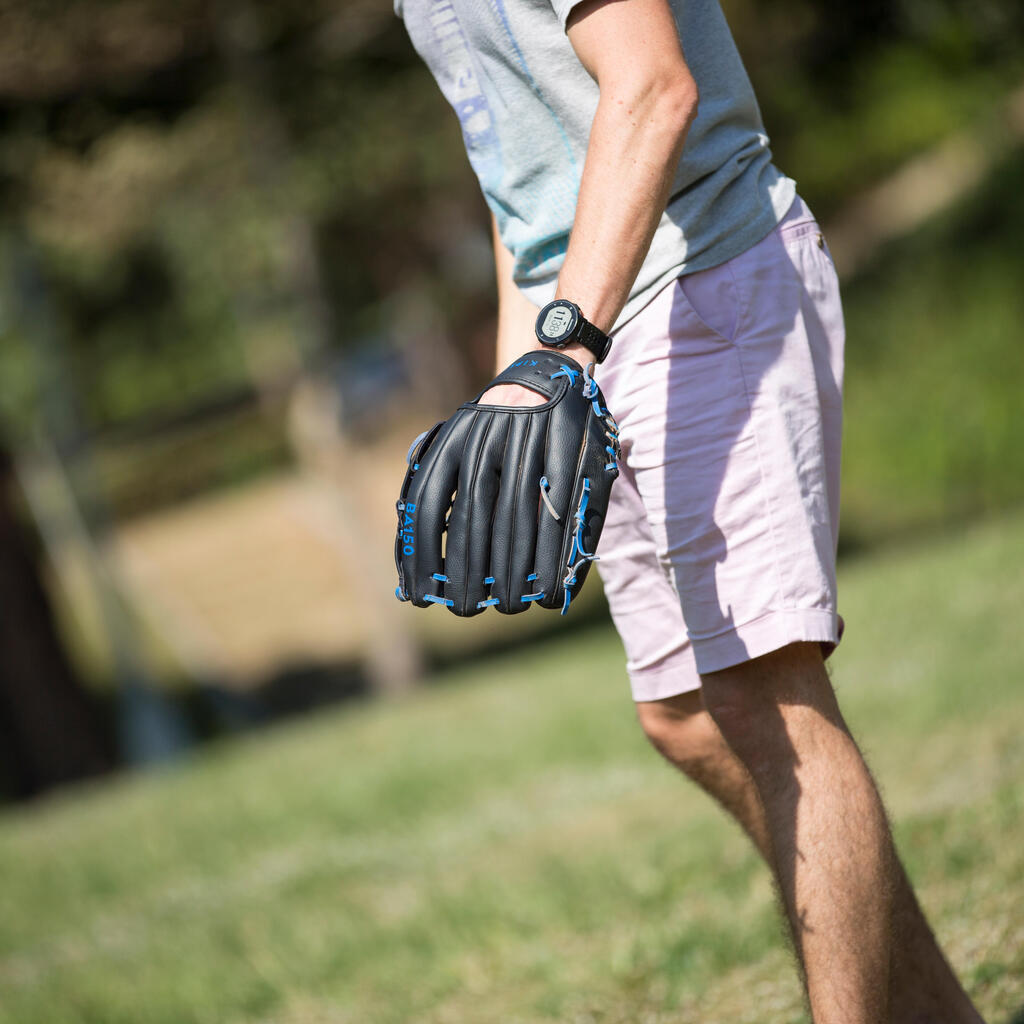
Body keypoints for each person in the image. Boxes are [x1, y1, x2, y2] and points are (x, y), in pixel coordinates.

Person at [395, 0, 985, 1020]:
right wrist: (517, 382)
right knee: (682, 715)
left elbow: (656, 90)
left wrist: (558, 347)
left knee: (768, 698)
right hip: (587, 325)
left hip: (702, 279)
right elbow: (518, 178)